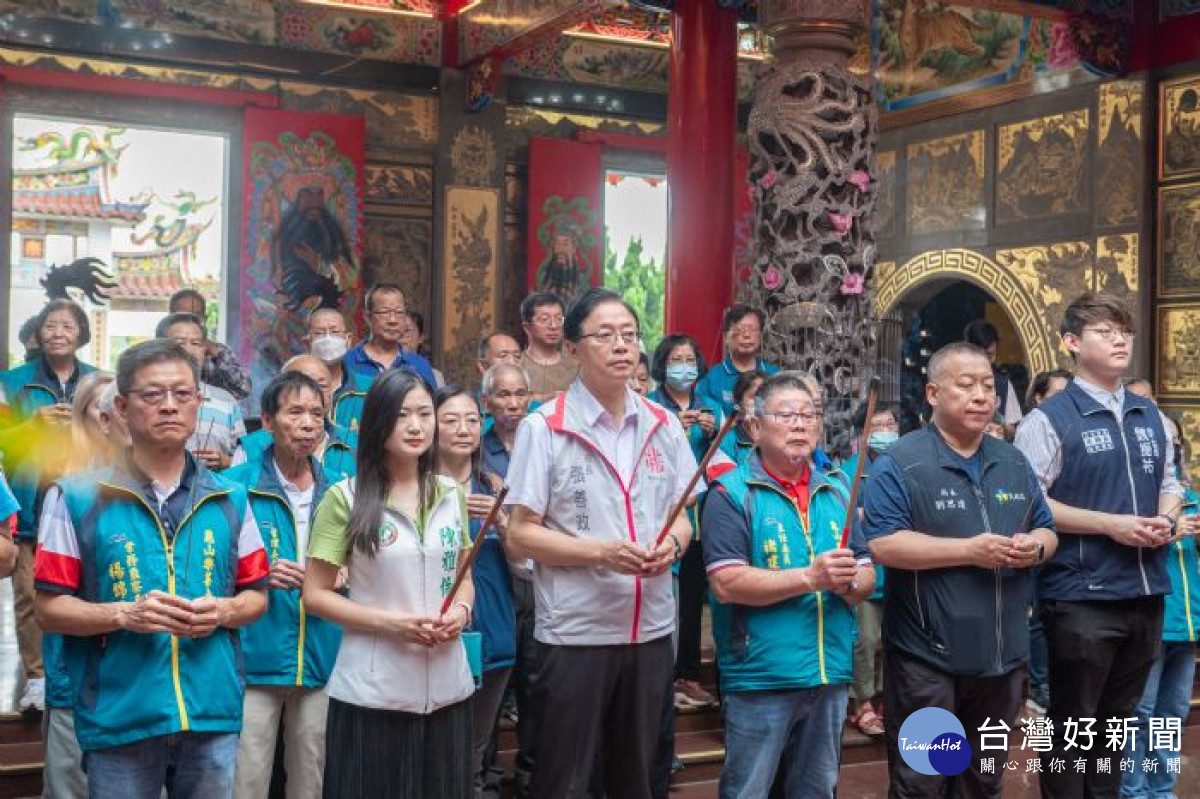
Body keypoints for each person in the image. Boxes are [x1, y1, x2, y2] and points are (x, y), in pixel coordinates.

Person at [33, 339, 270, 799]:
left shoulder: (230, 498)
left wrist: (222, 611)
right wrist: (124, 615)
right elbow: (49, 608)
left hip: (211, 711)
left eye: (183, 395)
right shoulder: (76, 497)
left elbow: (256, 595)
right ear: (122, 406)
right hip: (120, 712)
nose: (169, 406)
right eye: (152, 395)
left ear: (199, 404)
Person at [506, 288, 700, 799]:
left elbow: (684, 515)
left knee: (639, 778)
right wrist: (602, 553)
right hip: (576, 636)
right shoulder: (543, 427)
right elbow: (519, 534)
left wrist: (674, 547)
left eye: (630, 335)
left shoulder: (664, 425)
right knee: (567, 780)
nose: (621, 346)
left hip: (652, 632)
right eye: (605, 335)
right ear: (573, 348)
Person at [863, 342, 1057, 799]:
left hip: (1003, 660)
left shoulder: (1012, 460)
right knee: (924, 782)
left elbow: (1048, 530)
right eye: (965, 385)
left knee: (982, 782)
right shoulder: (903, 461)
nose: (980, 396)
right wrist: (968, 550)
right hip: (928, 661)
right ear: (932, 393)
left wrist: (1034, 548)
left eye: (988, 386)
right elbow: (885, 544)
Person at [1013, 293, 1183, 798]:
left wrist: (1165, 517)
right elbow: (1032, 504)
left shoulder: (1148, 415)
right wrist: (1111, 525)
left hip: (1145, 589)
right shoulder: (1048, 419)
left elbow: (1172, 482)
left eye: (1124, 331)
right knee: (1073, 727)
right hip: (1081, 595)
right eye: (1104, 330)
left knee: (1116, 727)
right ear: (1071, 342)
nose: (1119, 339)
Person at [302, 369, 475, 799]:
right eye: (401, 416)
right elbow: (316, 595)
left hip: (449, 688)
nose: (416, 426)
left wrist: (460, 611)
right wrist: (394, 624)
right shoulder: (345, 498)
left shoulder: (450, 493)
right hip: (373, 693)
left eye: (424, 414)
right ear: (377, 423)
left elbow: (463, 578)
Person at [702, 372, 875, 798]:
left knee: (816, 790)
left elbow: (868, 571)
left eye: (809, 415)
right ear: (755, 426)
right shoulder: (731, 493)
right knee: (749, 790)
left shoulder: (836, 489)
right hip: (762, 677)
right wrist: (810, 578)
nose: (801, 424)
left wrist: (850, 584)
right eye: (786, 415)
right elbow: (726, 582)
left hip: (829, 673)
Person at [226, 371, 344, 799]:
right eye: (295, 412)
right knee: (246, 781)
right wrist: (254, 573)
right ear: (268, 421)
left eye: (317, 413)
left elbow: (365, 565)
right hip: (254, 657)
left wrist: (341, 575)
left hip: (320, 657)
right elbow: (210, 568)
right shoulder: (234, 489)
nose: (309, 423)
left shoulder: (340, 491)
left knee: (311, 781)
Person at [0, 298, 97, 713]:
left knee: (81, 590)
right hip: (29, 495)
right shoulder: (12, 381)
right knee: (28, 594)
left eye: (67, 325)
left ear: (81, 333)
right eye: (50, 326)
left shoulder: (97, 380)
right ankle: (37, 677)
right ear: (38, 334)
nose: (58, 333)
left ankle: (78, 671)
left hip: (82, 498)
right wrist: (30, 425)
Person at [43, 373, 128, 799]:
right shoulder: (67, 489)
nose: (113, 412)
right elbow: (50, 600)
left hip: (135, 680)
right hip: (76, 673)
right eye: (102, 405)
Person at [434, 386, 516, 799]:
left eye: (471, 419)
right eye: (450, 420)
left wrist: (503, 521)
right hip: (434, 631)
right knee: (435, 749)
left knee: (475, 752)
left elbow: (526, 564)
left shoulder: (495, 484)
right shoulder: (416, 486)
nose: (463, 429)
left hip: (493, 628)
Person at [1121, 436, 1200, 799]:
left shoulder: (1194, 502)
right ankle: (1132, 792)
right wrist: (1168, 533)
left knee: (1172, 716)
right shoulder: (1133, 502)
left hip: (1188, 627)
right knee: (1139, 715)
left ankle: (1161, 790)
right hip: (1149, 622)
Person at [648, 334, 720, 710]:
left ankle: (689, 674)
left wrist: (711, 433)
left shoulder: (709, 407)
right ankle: (663, 676)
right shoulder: (650, 406)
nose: (683, 365)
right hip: (663, 515)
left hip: (701, 513)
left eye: (689, 358)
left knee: (693, 598)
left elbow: (719, 457)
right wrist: (671, 424)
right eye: (676, 358)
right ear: (663, 364)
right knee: (666, 597)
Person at [478, 363, 536, 797]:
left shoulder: (544, 443)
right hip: (493, 575)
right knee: (492, 682)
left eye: (520, 394)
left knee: (536, 681)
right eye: (503, 394)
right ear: (487, 401)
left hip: (542, 575)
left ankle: (533, 775)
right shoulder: (476, 451)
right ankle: (486, 779)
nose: (512, 403)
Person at [841, 402, 903, 739]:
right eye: (876, 425)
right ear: (861, 434)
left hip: (900, 573)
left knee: (894, 640)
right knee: (864, 640)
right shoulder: (849, 475)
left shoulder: (906, 465)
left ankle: (886, 700)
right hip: (866, 573)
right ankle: (861, 703)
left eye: (889, 424)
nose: (885, 431)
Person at [1020, 367, 1073, 716]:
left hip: (1075, 548)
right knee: (1037, 617)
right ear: (1038, 398)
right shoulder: (1035, 430)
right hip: (1038, 539)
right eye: (1055, 396)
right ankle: (1038, 685)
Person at [230, 355, 355, 480]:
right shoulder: (250, 448)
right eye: (299, 383)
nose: (311, 392)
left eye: (321, 385)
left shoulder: (354, 444)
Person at [158, 312, 247, 472]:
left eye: (195, 343)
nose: (188, 350)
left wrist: (227, 461)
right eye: (180, 343)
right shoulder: (149, 398)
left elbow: (245, 460)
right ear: (159, 346)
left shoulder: (226, 401)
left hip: (215, 493)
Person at [343, 283, 437, 387]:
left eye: (399, 312)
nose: (393, 320)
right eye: (385, 312)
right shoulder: (347, 362)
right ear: (368, 317)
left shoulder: (419, 365)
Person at [696, 304, 780, 418]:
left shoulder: (776, 375)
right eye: (739, 330)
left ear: (760, 336)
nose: (746, 335)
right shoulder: (710, 378)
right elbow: (702, 417)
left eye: (753, 329)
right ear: (726, 337)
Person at [169, 288, 252, 401]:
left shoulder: (219, 351)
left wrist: (218, 355)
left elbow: (244, 389)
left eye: (196, 316)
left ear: (205, 319)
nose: (191, 321)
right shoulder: (159, 352)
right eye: (183, 317)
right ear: (170, 319)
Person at [304, 306, 371, 446]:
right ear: (308, 340)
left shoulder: (369, 388)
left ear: (348, 339)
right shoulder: (291, 388)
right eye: (319, 333)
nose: (327, 338)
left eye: (334, 332)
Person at [963, 319, 1023, 434]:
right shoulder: (952, 379)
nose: (986, 362)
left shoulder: (1003, 384)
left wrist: (1001, 429)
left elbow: (1013, 426)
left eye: (990, 356)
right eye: (981, 355)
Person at [519, 292, 578, 405]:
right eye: (545, 319)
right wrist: (548, 397)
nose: (554, 326)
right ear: (527, 327)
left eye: (559, 319)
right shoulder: (517, 367)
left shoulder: (577, 364)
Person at [719, 370, 766, 465]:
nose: (760, 401)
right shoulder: (726, 440)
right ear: (739, 401)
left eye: (765, 396)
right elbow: (724, 478)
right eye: (754, 396)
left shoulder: (781, 436)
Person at [401, 310, 446, 388]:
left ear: (420, 338)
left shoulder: (435, 376)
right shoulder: (385, 370)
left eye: (407, 330)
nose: (401, 336)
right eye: (398, 330)